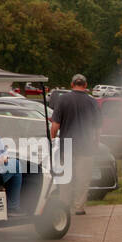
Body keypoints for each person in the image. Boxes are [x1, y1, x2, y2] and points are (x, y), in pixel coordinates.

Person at [50, 73, 101, 215]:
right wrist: (96, 142)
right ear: (85, 86)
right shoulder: (92, 102)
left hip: (66, 146)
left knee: (65, 178)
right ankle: (79, 207)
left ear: (72, 84)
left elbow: (55, 126)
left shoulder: (63, 100)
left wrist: (53, 140)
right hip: (86, 146)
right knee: (82, 178)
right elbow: (97, 128)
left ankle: (64, 207)